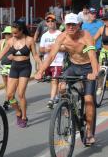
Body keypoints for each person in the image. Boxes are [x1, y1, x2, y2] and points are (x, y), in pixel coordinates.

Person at [35, 13, 98, 145]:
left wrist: (95, 72)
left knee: (88, 100)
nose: (70, 27)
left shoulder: (86, 36)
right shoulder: (61, 37)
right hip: (73, 67)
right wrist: (40, 71)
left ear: (78, 25)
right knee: (62, 86)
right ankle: (67, 107)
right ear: (65, 25)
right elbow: (51, 56)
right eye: (68, 24)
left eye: (73, 24)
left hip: (88, 68)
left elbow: (92, 56)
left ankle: (89, 131)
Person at [0, 19, 42, 128]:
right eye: (12, 33)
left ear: (21, 31)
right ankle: (18, 111)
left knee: (20, 94)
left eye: (15, 33)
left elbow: (35, 55)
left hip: (25, 68)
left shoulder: (29, 40)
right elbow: (1, 54)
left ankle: (24, 117)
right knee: (10, 95)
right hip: (14, 67)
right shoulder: (11, 41)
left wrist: (40, 66)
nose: (13, 35)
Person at [39, 13, 64, 109]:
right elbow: (40, 49)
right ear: (46, 23)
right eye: (48, 21)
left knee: (54, 80)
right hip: (47, 62)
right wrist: (46, 50)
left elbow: (65, 48)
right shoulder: (44, 35)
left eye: (52, 21)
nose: (50, 23)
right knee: (52, 81)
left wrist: (56, 48)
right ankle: (57, 96)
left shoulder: (60, 34)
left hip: (58, 61)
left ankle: (51, 99)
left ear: (55, 22)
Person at [94, 12, 108, 96]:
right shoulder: (101, 29)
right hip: (103, 51)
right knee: (100, 70)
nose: (106, 21)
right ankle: (99, 87)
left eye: (107, 20)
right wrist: (89, 47)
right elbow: (94, 39)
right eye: (104, 20)